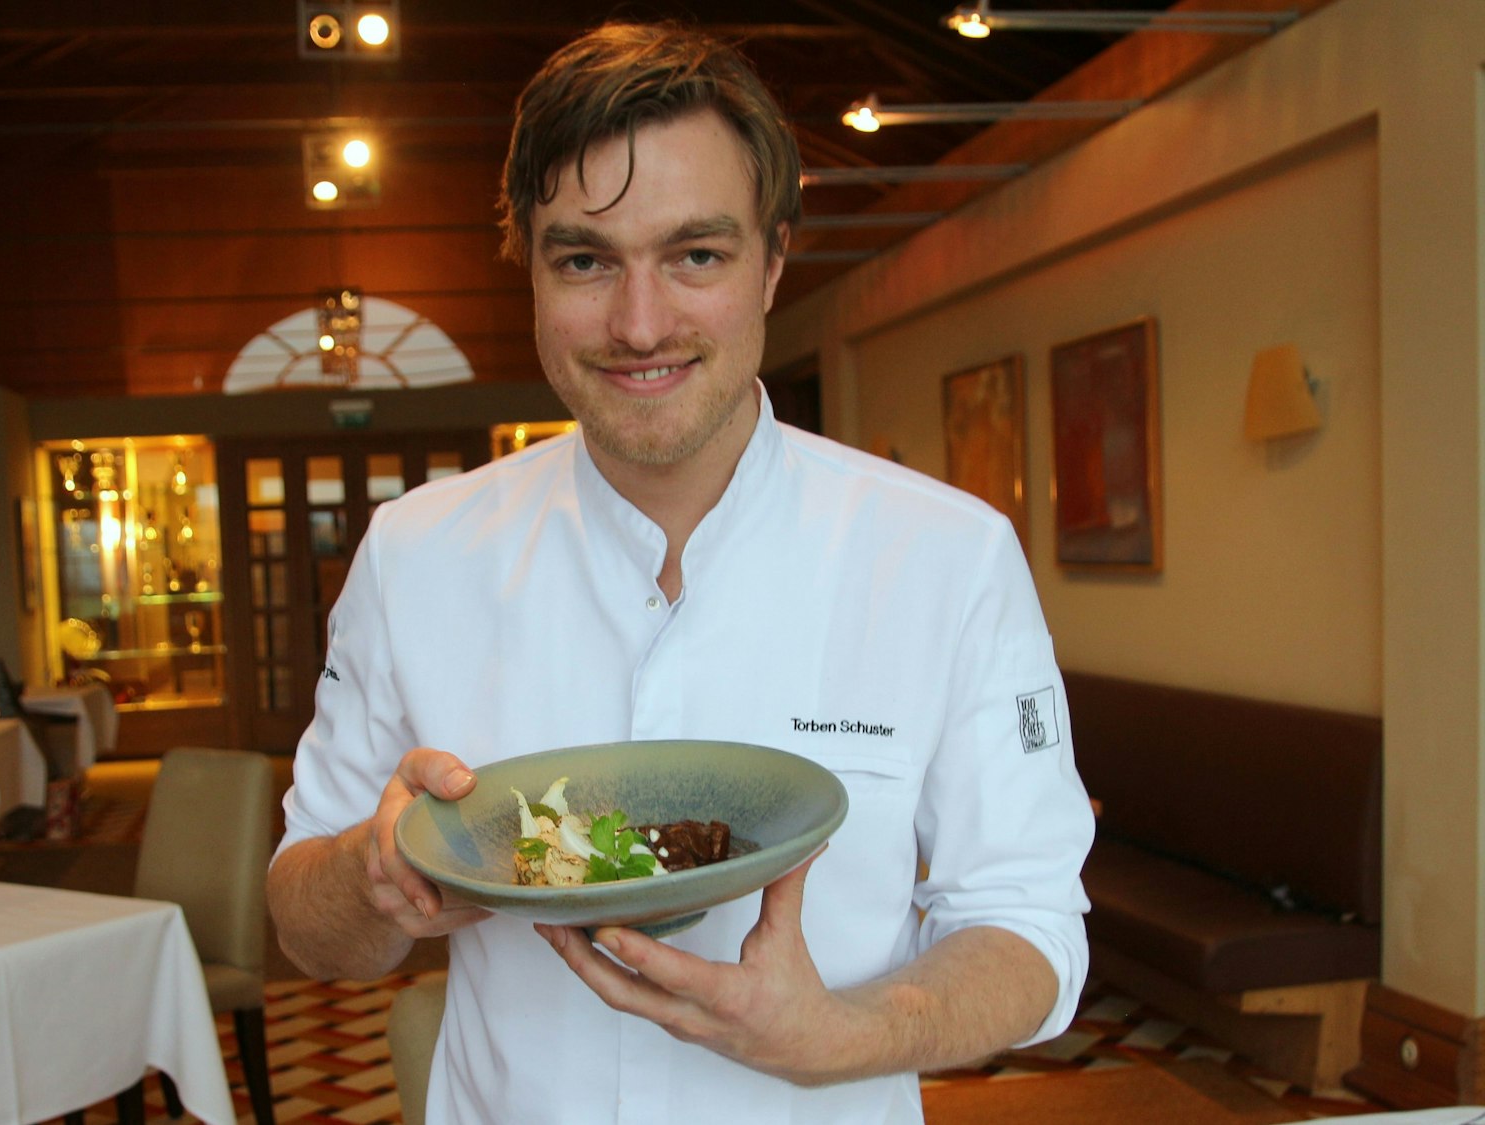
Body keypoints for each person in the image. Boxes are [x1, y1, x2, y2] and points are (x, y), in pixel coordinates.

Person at [266, 21, 1094, 1124]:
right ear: (527, 265)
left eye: (693, 255)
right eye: (583, 260)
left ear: (773, 262)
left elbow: (1028, 927)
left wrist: (838, 1036)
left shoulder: (946, 554)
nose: (638, 323)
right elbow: (301, 919)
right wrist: (372, 879)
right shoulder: (415, 551)